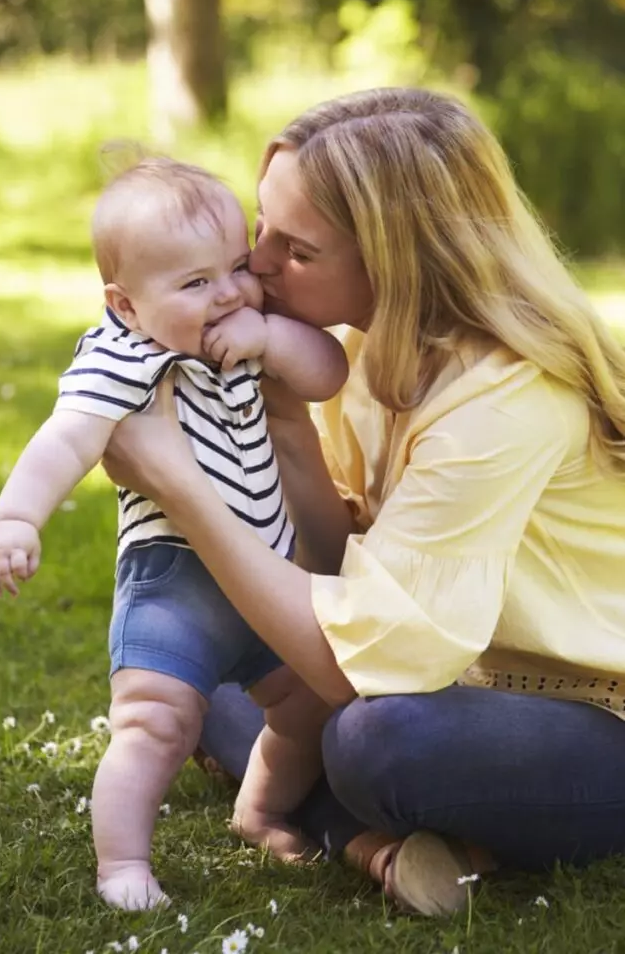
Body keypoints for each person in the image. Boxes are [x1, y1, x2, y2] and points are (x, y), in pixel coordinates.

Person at [101, 87, 625, 918]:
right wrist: (285, 422)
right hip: (437, 673)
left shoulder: (509, 400)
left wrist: (178, 483)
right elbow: (328, 563)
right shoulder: (365, 349)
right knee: (187, 665)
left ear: (396, 260)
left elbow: (348, 668)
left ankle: (357, 828)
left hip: (585, 713)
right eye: (260, 226)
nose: (256, 266)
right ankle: (398, 846)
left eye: (295, 249)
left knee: (371, 742)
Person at [0, 157, 349, 910]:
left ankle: (261, 808)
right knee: (153, 722)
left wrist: (270, 339)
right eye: (193, 284)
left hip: (265, 578)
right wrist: (17, 519)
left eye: (236, 268)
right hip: (173, 581)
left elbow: (326, 373)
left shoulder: (246, 334)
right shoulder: (122, 356)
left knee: (310, 706)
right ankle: (122, 865)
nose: (227, 294)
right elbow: (66, 439)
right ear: (125, 303)